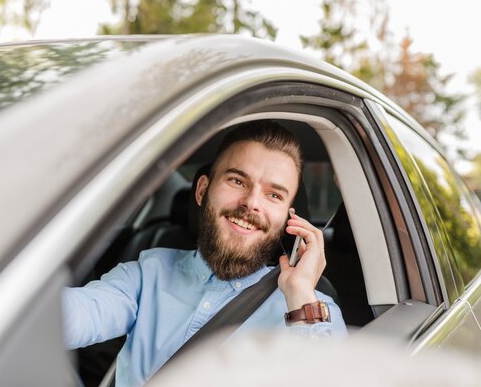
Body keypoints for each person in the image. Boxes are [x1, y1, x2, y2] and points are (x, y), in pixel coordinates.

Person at [62, 120, 347, 387]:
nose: (251, 203)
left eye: (274, 195)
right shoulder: (148, 274)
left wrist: (299, 294)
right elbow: (70, 316)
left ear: (289, 218)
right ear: (202, 190)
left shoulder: (312, 312)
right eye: (237, 181)